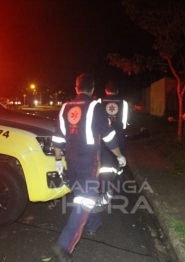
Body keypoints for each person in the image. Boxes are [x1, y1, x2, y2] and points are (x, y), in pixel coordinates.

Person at [51, 73, 126, 262]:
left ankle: (93, 224)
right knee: (85, 200)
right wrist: (119, 156)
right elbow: (108, 136)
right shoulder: (95, 106)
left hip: (71, 160)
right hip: (89, 161)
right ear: (92, 89)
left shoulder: (65, 107)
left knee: (81, 195)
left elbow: (58, 137)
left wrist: (58, 160)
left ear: (76, 88)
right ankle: (64, 246)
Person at [97, 80, 130, 199]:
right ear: (117, 91)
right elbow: (124, 123)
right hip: (119, 137)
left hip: (103, 139)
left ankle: (104, 190)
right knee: (119, 163)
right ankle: (118, 191)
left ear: (106, 90)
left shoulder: (99, 102)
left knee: (104, 165)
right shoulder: (124, 103)